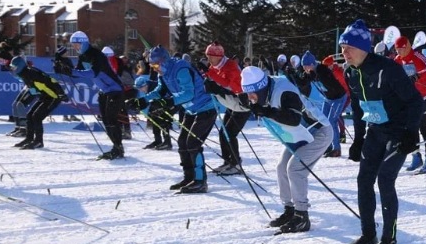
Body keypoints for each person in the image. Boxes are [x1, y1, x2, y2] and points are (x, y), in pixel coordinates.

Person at [339, 19, 423, 244]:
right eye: (343, 47)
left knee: (385, 180)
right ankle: (368, 235)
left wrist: (411, 133)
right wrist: (358, 138)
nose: (344, 52)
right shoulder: (349, 71)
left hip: (398, 131)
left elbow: (415, 101)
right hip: (375, 130)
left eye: (349, 48)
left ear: (364, 48)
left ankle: (389, 240)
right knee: (364, 179)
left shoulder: (388, 69)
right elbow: (356, 105)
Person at [239, 66, 333, 233]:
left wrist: (267, 111)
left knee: (295, 169)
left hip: (318, 132)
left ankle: (302, 216)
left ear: (262, 87)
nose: (251, 97)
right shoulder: (263, 92)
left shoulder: (285, 91)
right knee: (281, 167)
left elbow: (294, 119)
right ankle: (289, 210)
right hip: (298, 136)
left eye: (253, 93)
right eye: (248, 93)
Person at [135, 45, 217, 193]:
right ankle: (189, 177)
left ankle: (200, 181)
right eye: (151, 65)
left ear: (163, 61)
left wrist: (168, 102)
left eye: (155, 65)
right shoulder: (163, 73)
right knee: (182, 142)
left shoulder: (181, 69)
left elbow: (188, 94)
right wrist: (144, 100)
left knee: (192, 143)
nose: (154, 68)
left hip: (206, 109)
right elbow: (160, 90)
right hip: (191, 111)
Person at [69, 31, 126, 159]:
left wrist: (72, 71)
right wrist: (64, 68)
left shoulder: (97, 55)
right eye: (73, 45)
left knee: (111, 119)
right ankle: (116, 147)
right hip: (104, 91)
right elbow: (77, 73)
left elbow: (92, 73)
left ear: (83, 43)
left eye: (76, 45)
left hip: (115, 89)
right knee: (106, 121)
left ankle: (118, 148)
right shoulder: (82, 57)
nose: (75, 48)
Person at [202, 41, 248, 175]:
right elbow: (217, 81)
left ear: (219, 56)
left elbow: (234, 88)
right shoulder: (215, 66)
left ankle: (236, 164)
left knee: (230, 133)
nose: (209, 59)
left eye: (211, 56)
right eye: (207, 55)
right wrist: (208, 78)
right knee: (224, 133)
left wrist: (216, 86)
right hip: (231, 105)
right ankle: (227, 161)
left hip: (242, 106)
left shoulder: (231, 66)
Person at [393, 35, 426, 173]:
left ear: (408, 47)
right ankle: (416, 156)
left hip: (424, 95)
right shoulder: (398, 60)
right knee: (411, 127)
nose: (399, 52)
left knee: (423, 127)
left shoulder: (417, 55)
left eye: (401, 49)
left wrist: (418, 75)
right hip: (410, 98)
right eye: (396, 49)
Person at [7, 56, 67, 150]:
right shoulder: (24, 74)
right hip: (44, 97)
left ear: (19, 66)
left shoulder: (31, 73)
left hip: (52, 97)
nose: (13, 69)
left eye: (14, 67)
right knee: (29, 115)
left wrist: (61, 93)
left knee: (36, 117)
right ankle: (29, 139)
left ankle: (39, 141)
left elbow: (51, 80)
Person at [301, 50, 347, 158]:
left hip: (338, 97)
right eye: (303, 67)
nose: (305, 69)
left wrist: (314, 76)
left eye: (306, 66)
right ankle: (328, 146)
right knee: (323, 120)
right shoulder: (311, 73)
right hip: (328, 98)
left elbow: (328, 83)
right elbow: (304, 83)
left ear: (312, 64)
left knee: (331, 121)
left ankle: (337, 149)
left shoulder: (322, 70)